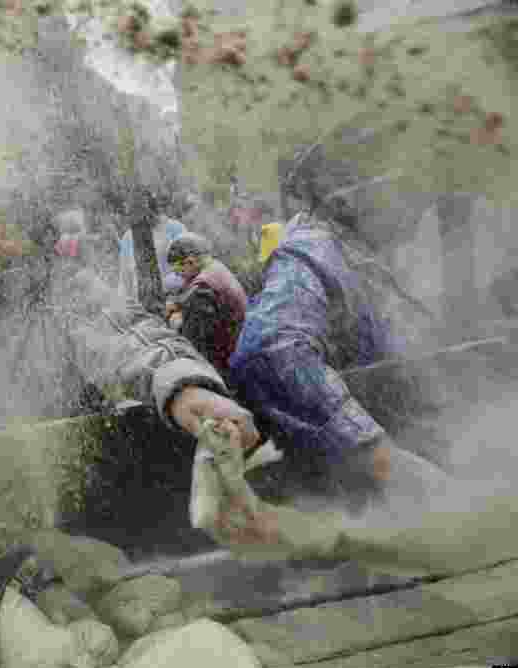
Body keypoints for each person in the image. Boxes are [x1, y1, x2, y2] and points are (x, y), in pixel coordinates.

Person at [229, 132, 453, 514]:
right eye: (396, 182)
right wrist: (382, 458)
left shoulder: (373, 251)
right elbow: (270, 348)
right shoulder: (315, 251)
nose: (414, 195)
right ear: (347, 194)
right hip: (388, 519)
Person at [164, 232, 248, 376]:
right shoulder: (216, 268)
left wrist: (174, 321)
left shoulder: (202, 289)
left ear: (190, 261)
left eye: (178, 270)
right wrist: (181, 303)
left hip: (227, 367)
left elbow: (194, 343)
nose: (178, 276)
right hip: (241, 350)